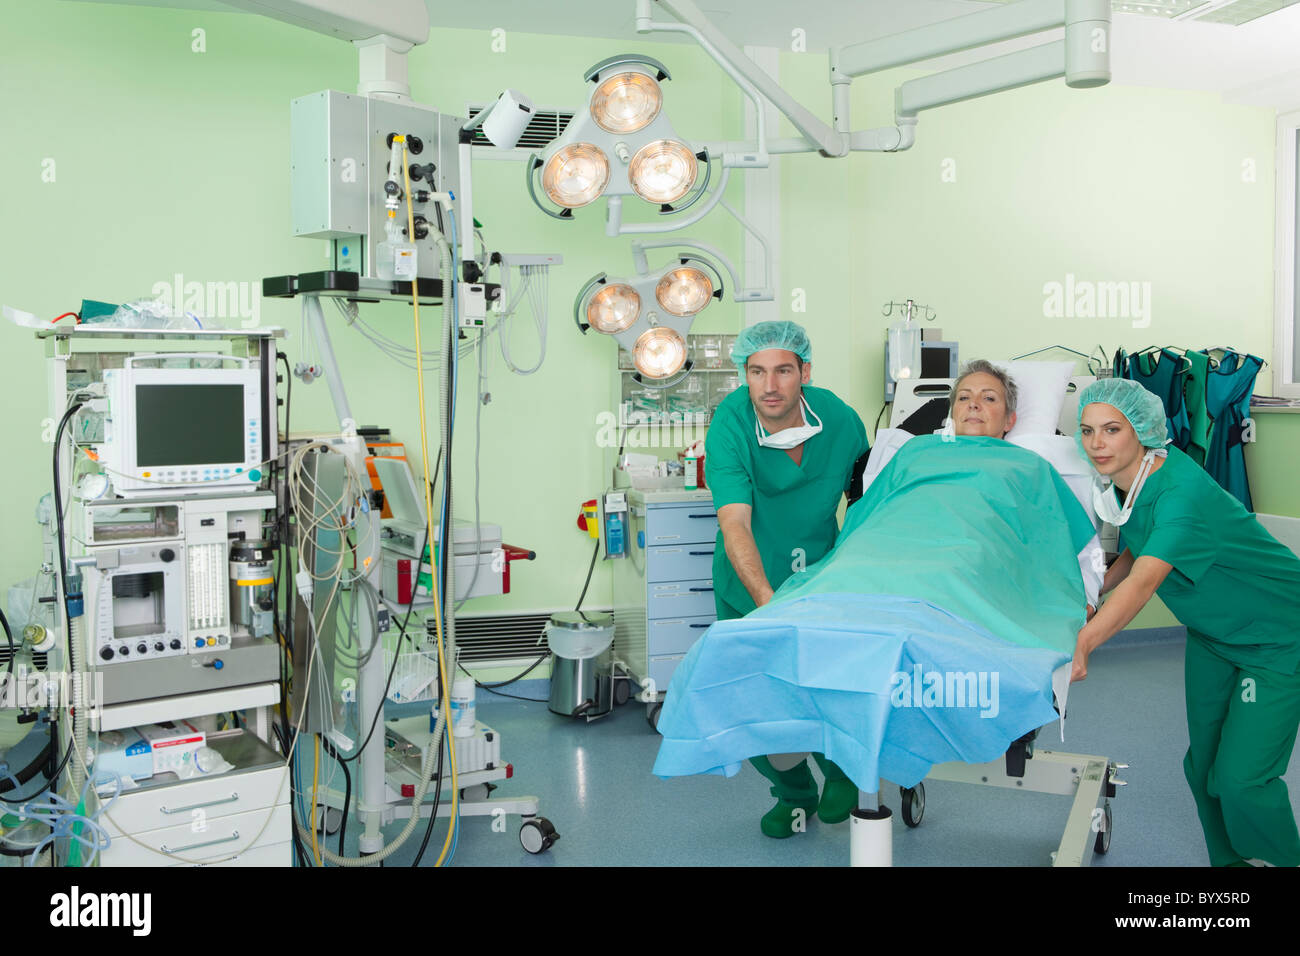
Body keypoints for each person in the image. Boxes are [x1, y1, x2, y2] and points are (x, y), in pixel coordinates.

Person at [1071, 378, 1300, 867]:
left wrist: (1085, 642)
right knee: (1201, 768)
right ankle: (1232, 868)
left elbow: (1147, 580)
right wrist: (1094, 594)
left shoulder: (1179, 494)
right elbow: (1140, 546)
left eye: (1112, 430)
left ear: (1143, 432)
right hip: (1215, 635)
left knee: (1241, 779)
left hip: (1278, 635)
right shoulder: (1133, 481)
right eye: (1088, 430)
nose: (1097, 444)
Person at [704, 320, 869, 838]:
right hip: (750, 586)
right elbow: (735, 521)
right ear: (744, 375)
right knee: (759, 700)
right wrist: (765, 600)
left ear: (805, 373)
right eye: (756, 372)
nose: (769, 386)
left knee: (826, 686)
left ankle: (841, 769)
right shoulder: (729, 425)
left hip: (822, 582)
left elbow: (864, 506)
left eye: (782, 371)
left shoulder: (840, 419)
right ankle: (794, 792)